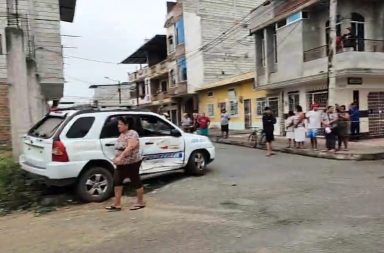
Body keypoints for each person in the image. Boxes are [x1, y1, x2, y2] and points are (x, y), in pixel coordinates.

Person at [106, 116, 145, 212]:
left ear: (127, 125)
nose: (118, 126)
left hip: (132, 162)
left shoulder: (132, 133)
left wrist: (120, 157)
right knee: (117, 181)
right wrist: (116, 158)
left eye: (120, 124)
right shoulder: (122, 135)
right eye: (118, 124)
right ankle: (117, 204)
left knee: (135, 181)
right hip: (122, 164)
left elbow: (130, 147)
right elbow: (119, 148)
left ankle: (140, 202)